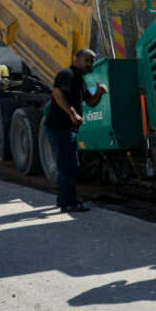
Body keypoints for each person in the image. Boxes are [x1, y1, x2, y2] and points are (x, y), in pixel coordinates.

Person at [44, 48, 107, 213]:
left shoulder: (79, 80)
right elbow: (57, 93)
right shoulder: (67, 74)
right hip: (59, 127)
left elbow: (91, 102)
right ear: (77, 59)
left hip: (68, 129)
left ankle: (64, 200)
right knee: (69, 166)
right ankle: (68, 202)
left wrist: (99, 92)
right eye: (87, 60)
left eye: (92, 61)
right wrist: (72, 113)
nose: (90, 64)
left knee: (69, 165)